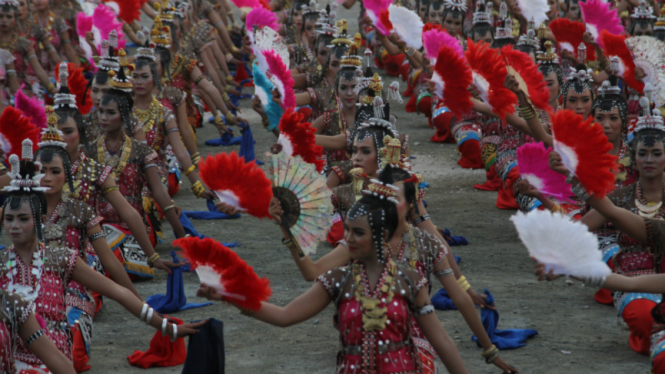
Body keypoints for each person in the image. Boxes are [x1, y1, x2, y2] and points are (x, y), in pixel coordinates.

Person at [201, 167, 470, 374]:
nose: (348, 238)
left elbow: (442, 341)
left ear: (381, 235)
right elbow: (284, 316)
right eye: (348, 230)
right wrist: (229, 295)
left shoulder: (411, 280)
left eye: (358, 233)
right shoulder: (337, 280)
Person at [0, 141, 205, 371]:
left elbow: (116, 287)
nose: (15, 226)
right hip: (11, 353)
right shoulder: (2, 263)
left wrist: (166, 325)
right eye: (9, 219)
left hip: (66, 316)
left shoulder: (62, 255)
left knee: (75, 356)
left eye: (23, 219)